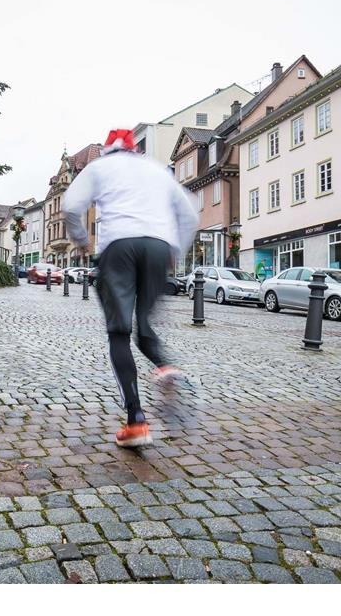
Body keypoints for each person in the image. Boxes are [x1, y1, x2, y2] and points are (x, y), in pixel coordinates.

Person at [62, 128, 197, 447]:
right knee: (145, 324)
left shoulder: (99, 167)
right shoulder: (157, 169)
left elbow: (70, 206)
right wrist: (174, 251)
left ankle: (136, 420)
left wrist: (82, 241)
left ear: (109, 149)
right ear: (134, 149)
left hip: (119, 247)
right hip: (158, 247)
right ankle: (165, 366)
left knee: (119, 332)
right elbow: (190, 213)